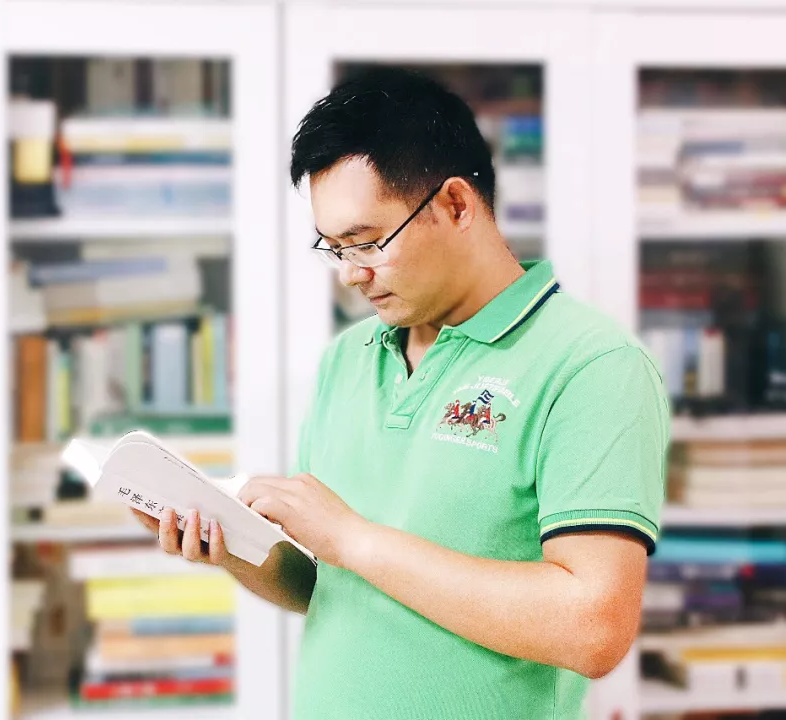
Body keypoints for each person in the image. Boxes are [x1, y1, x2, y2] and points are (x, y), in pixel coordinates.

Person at [132, 66, 669, 720]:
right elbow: (330, 584)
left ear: (456, 205)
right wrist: (231, 546)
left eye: (366, 242)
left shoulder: (593, 366)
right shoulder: (348, 359)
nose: (350, 275)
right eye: (334, 248)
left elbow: (593, 629)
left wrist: (355, 538)